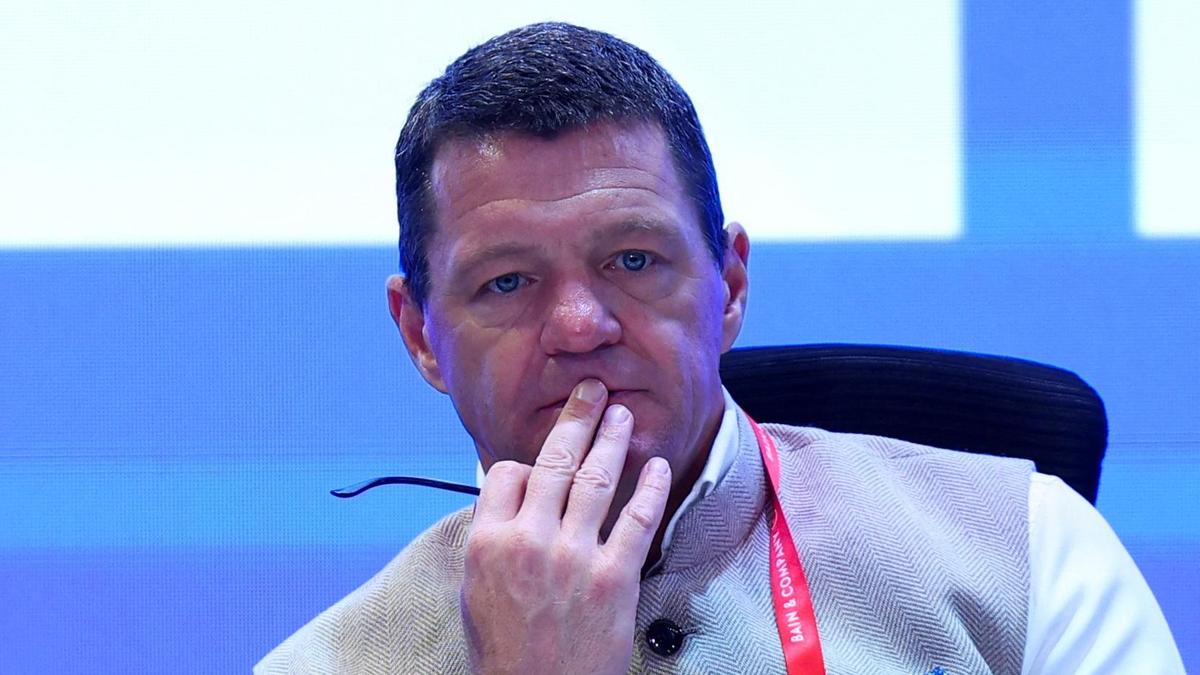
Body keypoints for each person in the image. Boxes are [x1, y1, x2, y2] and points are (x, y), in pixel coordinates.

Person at [257, 22, 1184, 674]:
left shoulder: (1030, 549)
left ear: (730, 285)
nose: (580, 324)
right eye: (507, 281)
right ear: (420, 334)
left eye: (632, 259)